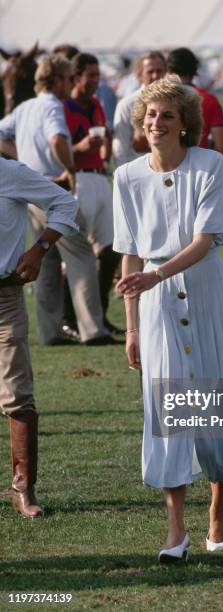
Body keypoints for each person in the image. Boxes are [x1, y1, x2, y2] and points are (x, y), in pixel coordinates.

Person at [113, 78, 223, 560]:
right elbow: (128, 254)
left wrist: (156, 275)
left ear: (185, 123)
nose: (156, 122)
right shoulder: (125, 177)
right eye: (150, 115)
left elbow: (206, 239)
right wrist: (130, 327)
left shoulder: (210, 164)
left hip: (204, 292)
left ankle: (218, 505)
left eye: (167, 115)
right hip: (156, 305)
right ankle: (175, 531)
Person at [0, 54, 112, 345]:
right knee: (82, 256)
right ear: (59, 79)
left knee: (46, 263)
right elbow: (56, 140)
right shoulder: (53, 106)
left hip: (25, 190)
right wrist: (70, 169)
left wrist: (19, 158)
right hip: (52, 186)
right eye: (67, 79)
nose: (70, 84)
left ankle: (50, 331)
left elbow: (0, 134)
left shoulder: (24, 108)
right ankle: (92, 329)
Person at [0, 156, 78, 517]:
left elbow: (65, 202)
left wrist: (40, 248)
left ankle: (22, 489)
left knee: (17, 391)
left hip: (4, 297)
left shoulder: (9, 172)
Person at [64, 52, 122, 335]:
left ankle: (99, 315)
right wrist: (81, 147)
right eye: (91, 75)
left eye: (97, 75)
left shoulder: (97, 103)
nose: (95, 81)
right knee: (76, 252)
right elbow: (61, 152)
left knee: (111, 249)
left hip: (100, 177)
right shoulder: (64, 107)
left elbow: (103, 148)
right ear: (76, 77)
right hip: (79, 179)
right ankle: (70, 318)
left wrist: (105, 144)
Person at [166, 47, 223, 153]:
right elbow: (222, 146)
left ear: (168, 70)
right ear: (195, 69)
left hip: (165, 165)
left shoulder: (158, 98)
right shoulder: (208, 100)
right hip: (198, 165)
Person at [112, 51, 166, 168]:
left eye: (159, 71)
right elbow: (120, 149)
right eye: (150, 72)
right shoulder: (127, 105)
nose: (155, 76)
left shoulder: (175, 102)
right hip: (139, 173)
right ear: (139, 75)